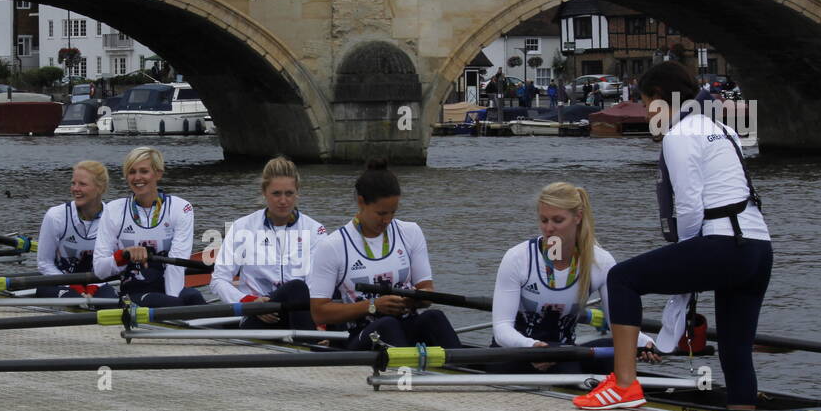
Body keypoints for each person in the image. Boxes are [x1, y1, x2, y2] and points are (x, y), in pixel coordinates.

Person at [574, 61, 771, 411]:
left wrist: (687, 265)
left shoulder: (678, 136)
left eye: (647, 102)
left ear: (663, 99)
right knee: (734, 345)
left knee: (622, 279)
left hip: (723, 244)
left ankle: (623, 384)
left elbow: (691, 207)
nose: (647, 111)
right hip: (758, 250)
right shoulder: (723, 130)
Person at [491, 182, 659, 374]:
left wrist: (646, 343)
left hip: (565, 353)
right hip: (515, 353)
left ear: (578, 217)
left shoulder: (601, 262)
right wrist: (533, 347)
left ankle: (622, 393)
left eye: (557, 220)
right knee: (570, 366)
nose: (549, 229)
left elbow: (617, 325)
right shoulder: (518, 258)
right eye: (544, 220)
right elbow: (502, 330)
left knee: (617, 350)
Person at [307, 160, 461, 351]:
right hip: (362, 333)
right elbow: (319, 313)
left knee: (434, 317)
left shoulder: (410, 232)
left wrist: (415, 299)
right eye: (381, 213)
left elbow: (427, 291)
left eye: (393, 212)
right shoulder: (332, 246)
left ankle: (465, 375)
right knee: (387, 325)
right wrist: (373, 306)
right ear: (361, 202)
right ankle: (408, 372)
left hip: (406, 322)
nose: (387, 220)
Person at [210, 156, 325, 331]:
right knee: (296, 286)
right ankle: (312, 343)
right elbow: (219, 280)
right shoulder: (242, 228)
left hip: (298, 311)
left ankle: (312, 336)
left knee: (298, 288)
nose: (283, 201)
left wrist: (320, 323)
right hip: (255, 315)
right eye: (276, 193)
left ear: (297, 192)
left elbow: (316, 284)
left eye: (289, 193)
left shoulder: (316, 230)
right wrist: (250, 303)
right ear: (264, 192)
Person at [92, 147, 206, 307]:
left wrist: (175, 303)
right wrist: (123, 255)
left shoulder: (181, 208)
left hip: (170, 290)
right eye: (132, 172)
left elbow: (177, 264)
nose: (137, 177)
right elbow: (99, 270)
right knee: (180, 303)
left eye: (144, 171)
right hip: (134, 293)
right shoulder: (113, 210)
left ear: (158, 173)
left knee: (194, 296)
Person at [35, 161, 117, 299]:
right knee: (72, 298)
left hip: (96, 283)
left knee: (112, 303)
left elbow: (111, 264)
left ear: (100, 188)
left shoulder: (113, 218)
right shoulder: (56, 216)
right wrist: (70, 285)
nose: (75, 189)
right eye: (73, 183)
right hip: (58, 282)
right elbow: (44, 263)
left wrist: (96, 285)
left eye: (82, 184)